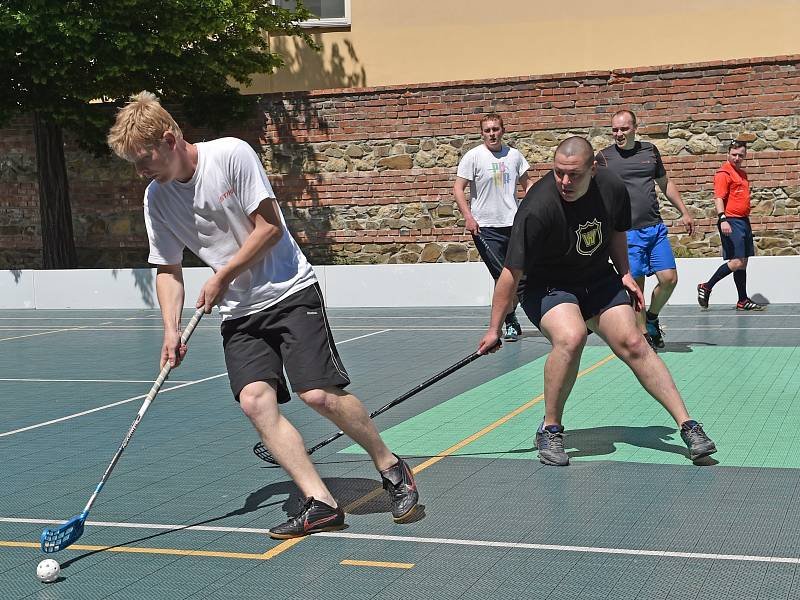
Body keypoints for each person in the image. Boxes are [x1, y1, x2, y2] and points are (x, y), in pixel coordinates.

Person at [107, 91, 419, 538]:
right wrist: (171, 330)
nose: (140, 171)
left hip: (290, 290)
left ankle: (390, 466)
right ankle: (321, 501)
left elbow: (270, 228)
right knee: (255, 401)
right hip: (241, 310)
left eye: (144, 159)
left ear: (170, 139)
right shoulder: (156, 198)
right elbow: (168, 270)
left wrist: (222, 275)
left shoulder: (232, 155)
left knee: (318, 396)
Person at [477, 136, 717, 466]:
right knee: (571, 337)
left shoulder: (612, 187)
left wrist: (625, 273)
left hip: (596, 277)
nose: (564, 181)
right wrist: (494, 328)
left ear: (593, 168)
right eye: (558, 172)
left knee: (634, 341)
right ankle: (550, 428)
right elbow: (510, 273)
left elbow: (617, 231)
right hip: (547, 285)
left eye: (573, 174)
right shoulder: (538, 206)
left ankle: (688, 426)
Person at [596, 110, 694, 349]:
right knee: (636, 288)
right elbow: (595, 191)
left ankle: (651, 318)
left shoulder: (650, 151)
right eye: (615, 130)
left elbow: (665, 183)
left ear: (635, 127)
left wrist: (684, 211)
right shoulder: (604, 158)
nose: (618, 134)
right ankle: (644, 337)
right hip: (627, 233)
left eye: (623, 129)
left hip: (655, 228)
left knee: (669, 279)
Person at [454, 113, 532, 341]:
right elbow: (458, 189)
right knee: (502, 276)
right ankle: (508, 321)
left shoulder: (514, 156)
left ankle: (510, 316)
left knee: (518, 276)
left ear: (503, 130)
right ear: (482, 134)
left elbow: (529, 185)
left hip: (514, 224)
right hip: (485, 227)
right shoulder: (473, 157)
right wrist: (468, 216)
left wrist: (529, 211)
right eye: (487, 130)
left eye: (496, 129)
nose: (492, 134)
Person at [697, 141, 765, 310]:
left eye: (740, 155)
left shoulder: (742, 174)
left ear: (745, 156)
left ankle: (742, 300)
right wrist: (722, 218)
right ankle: (706, 286)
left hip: (743, 221)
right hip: (730, 221)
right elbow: (719, 198)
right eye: (734, 154)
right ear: (728, 154)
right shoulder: (723, 173)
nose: (737, 158)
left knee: (743, 262)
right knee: (736, 262)